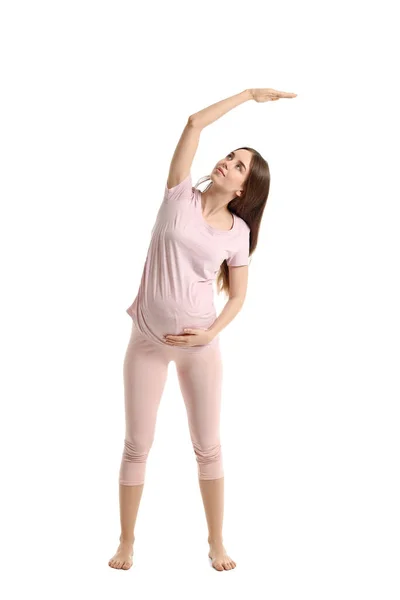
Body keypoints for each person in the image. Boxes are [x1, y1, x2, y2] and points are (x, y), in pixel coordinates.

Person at [108, 87, 297, 572]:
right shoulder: (178, 195)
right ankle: (126, 541)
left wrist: (209, 334)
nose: (227, 163)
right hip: (147, 340)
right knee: (137, 444)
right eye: (231, 156)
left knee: (207, 445)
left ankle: (216, 542)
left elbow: (237, 296)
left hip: (199, 347)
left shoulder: (239, 233)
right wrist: (249, 95)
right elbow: (193, 123)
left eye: (239, 167)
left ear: (243, 190)